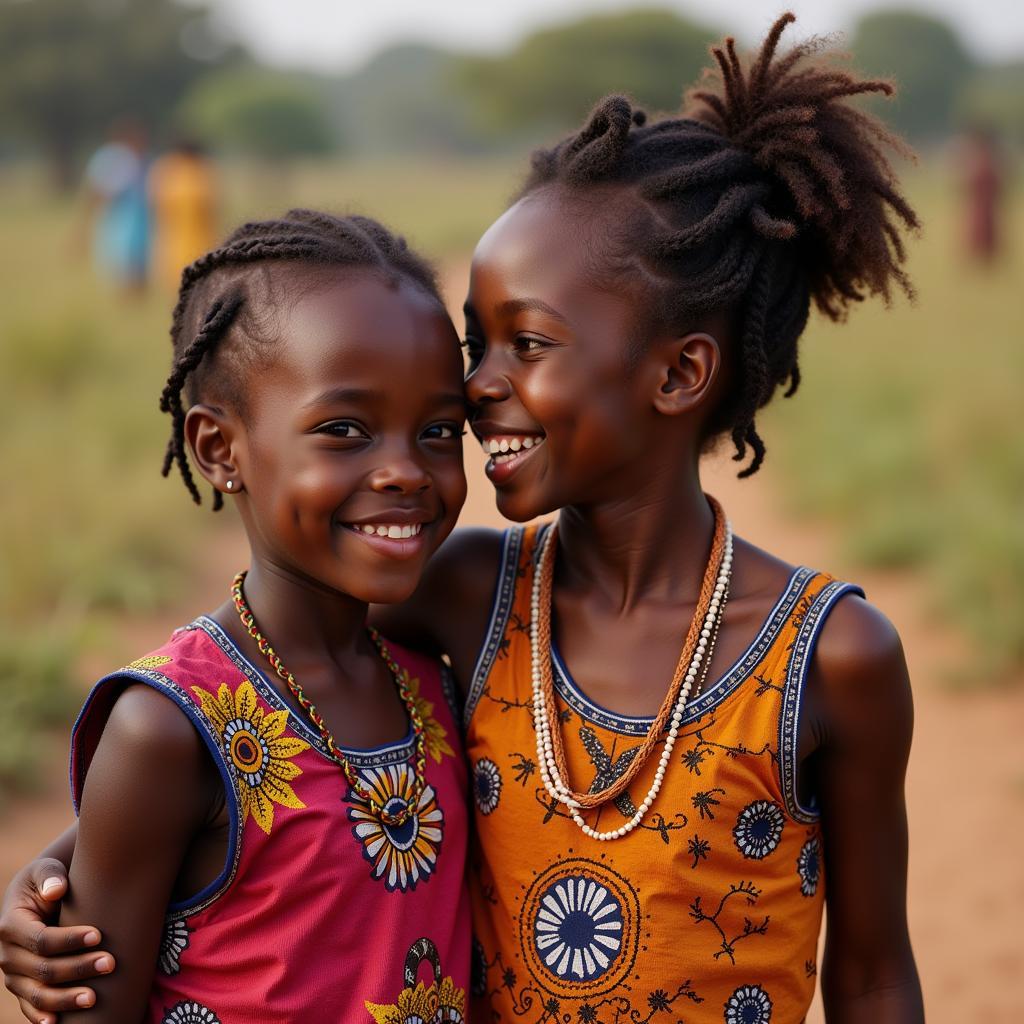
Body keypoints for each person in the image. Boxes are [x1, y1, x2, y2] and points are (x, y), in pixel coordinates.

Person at [1, 15, 925, 1023]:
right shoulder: (468, 597)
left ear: (679, 373)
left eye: (524, 343)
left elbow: (874, 971)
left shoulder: (831, 655)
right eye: (475, 344)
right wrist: (66, 873)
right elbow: (239, 725)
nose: (478, 387)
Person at [0, 210, 471, 1023]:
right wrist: (54, 870)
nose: (404, 470)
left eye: (437, 432)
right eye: (344, 430)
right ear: (219, 449)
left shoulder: (436, 675)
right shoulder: (165, 728)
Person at [79, 120, 151, 293]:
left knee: (140, 276)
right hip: (121, 227)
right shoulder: (114, 159)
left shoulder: (144, 160)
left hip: (143, 226)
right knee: (125, 275)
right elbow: (97, 192)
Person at [148, 139, 218, 291]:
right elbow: (211, 211)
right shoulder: (202, 173)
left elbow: (157, 206)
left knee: (178, 288)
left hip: (173, 240)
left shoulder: (167, 171)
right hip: (199, 239)